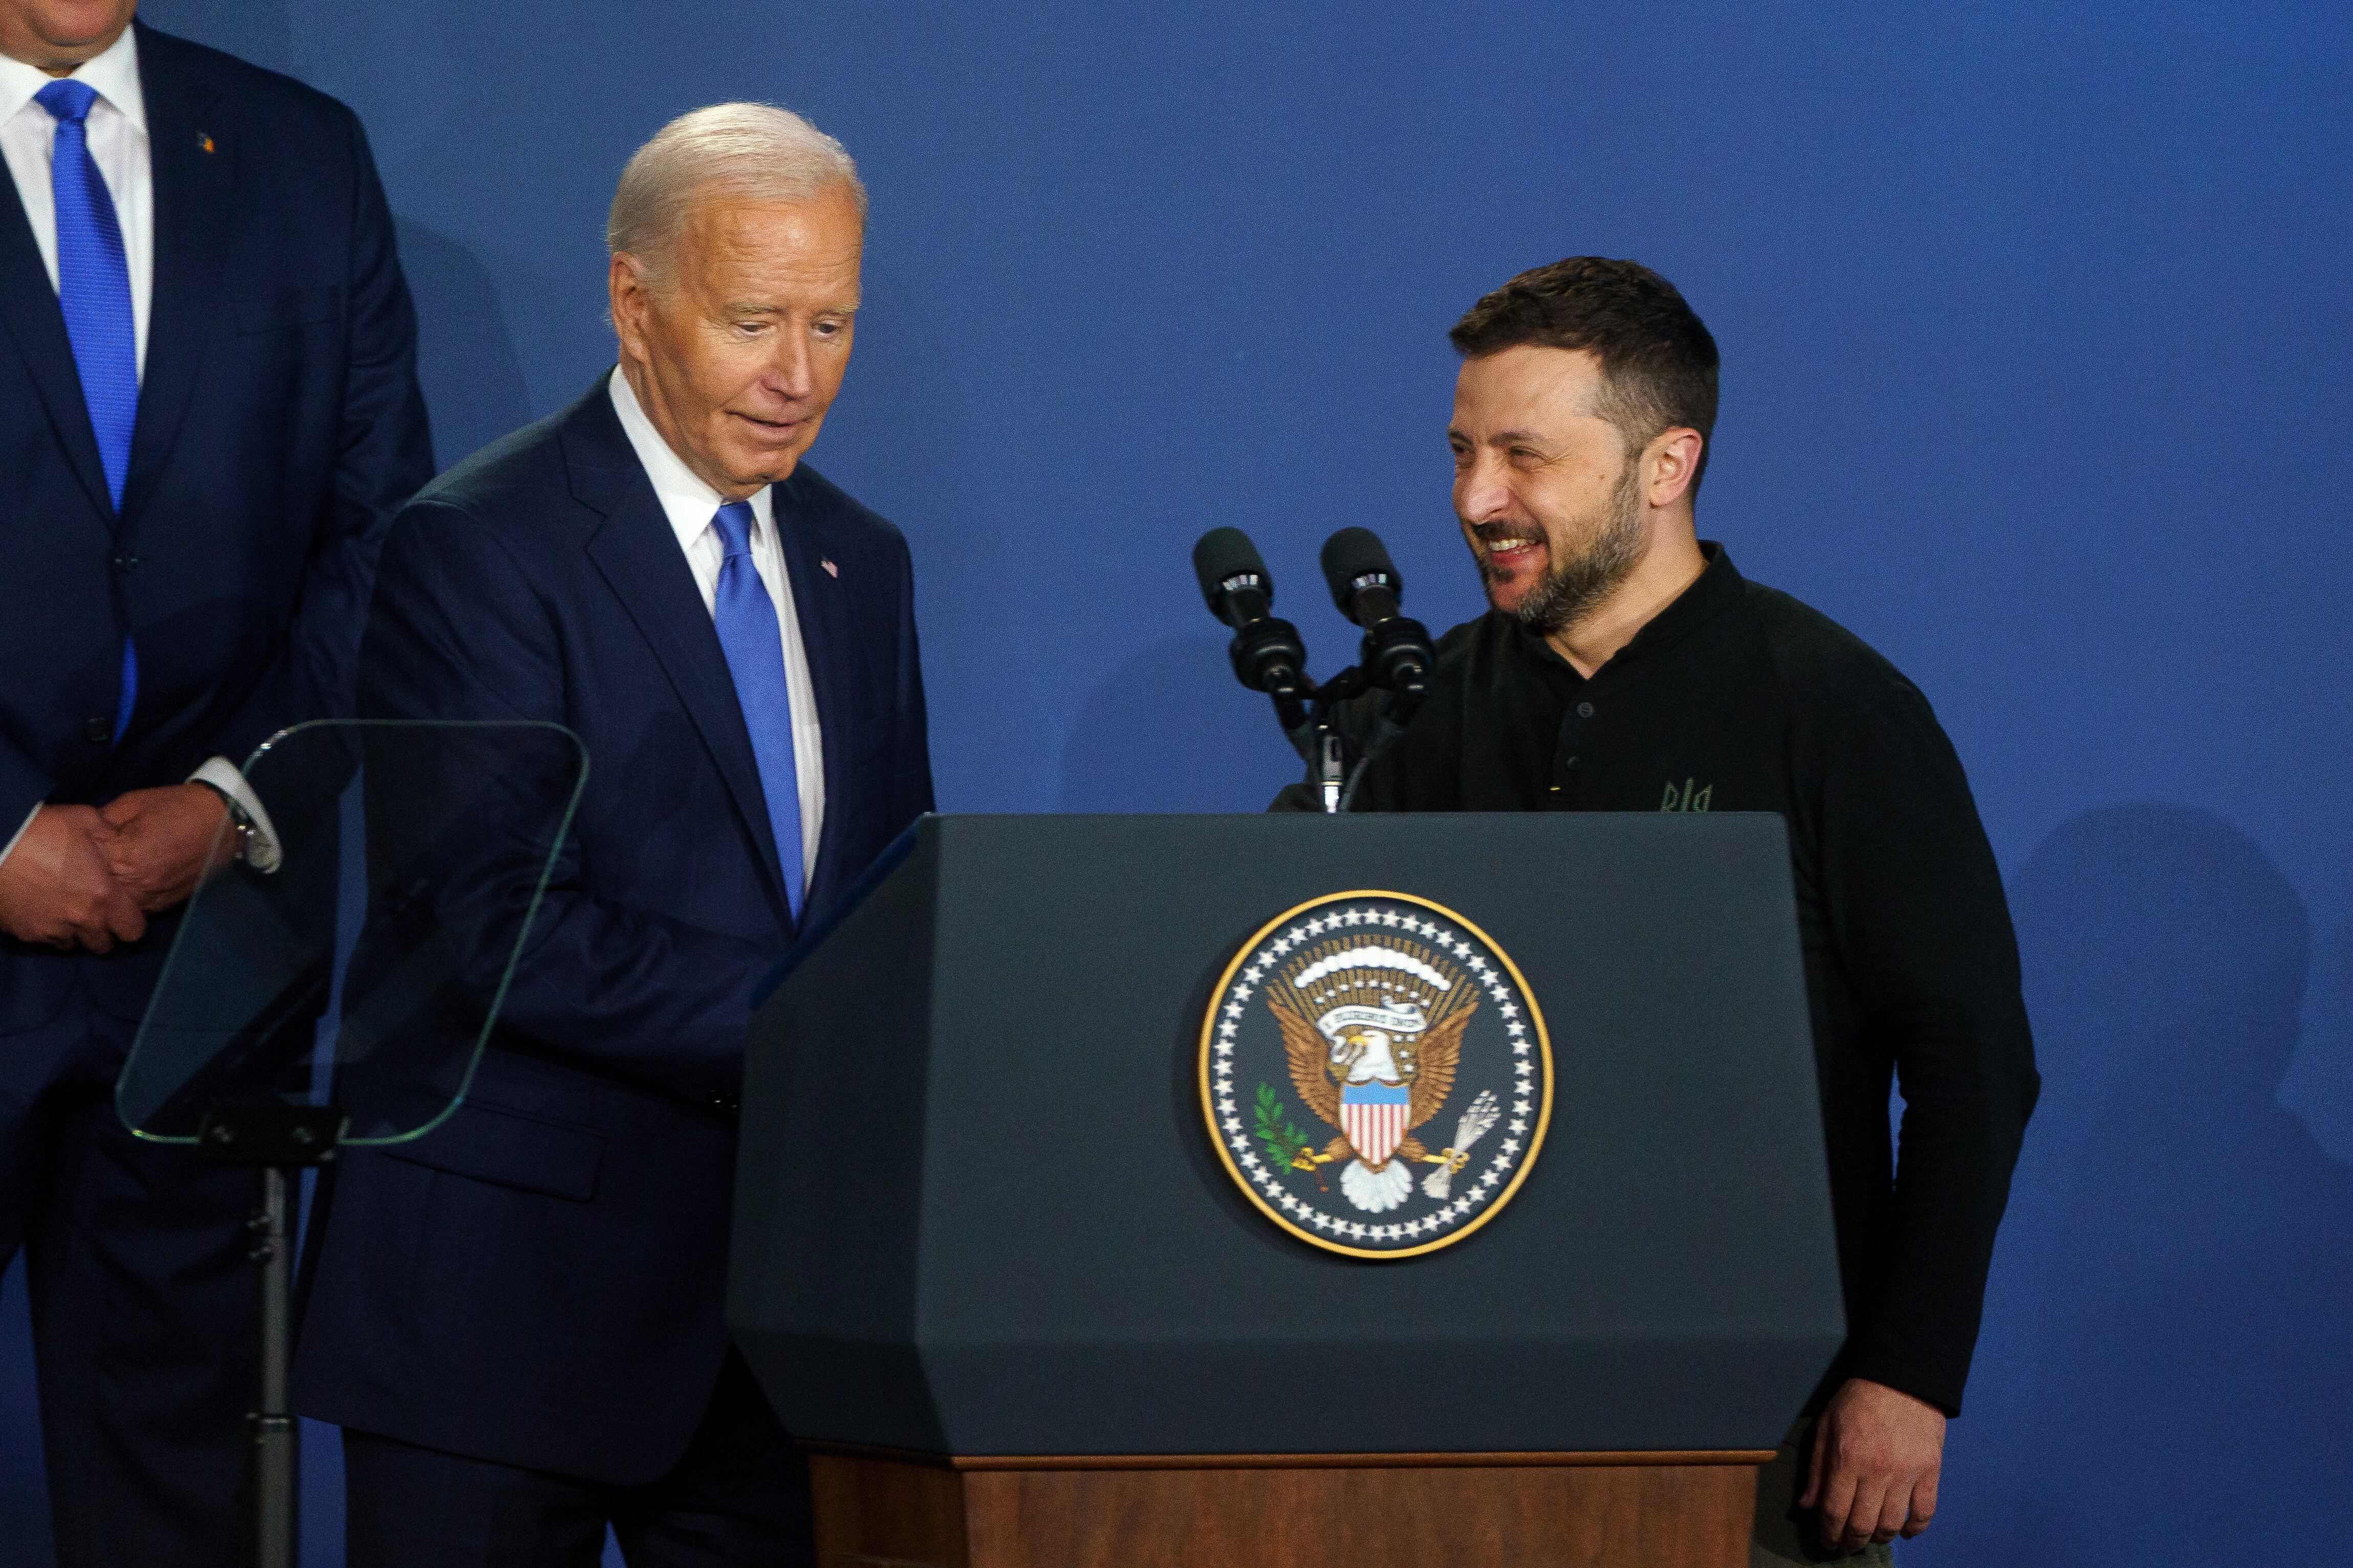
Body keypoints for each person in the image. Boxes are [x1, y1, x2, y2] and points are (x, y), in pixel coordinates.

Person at [290, 103, 934, 1565]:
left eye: (830, 324)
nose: (797, 377)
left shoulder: (860, 561)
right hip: (498, 1323)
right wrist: (829, 1018)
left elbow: (892, 894)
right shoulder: (477, 545)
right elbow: (493, 929)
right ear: (634, 305)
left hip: (772, 1331)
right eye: (753, 321)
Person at [1338, 257, 2039, 1563]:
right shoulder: (1418, 711)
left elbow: (1972, 1062)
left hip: (1760, 1421)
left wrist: (1906, 1372)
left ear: (1665, 466)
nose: (1477, 500)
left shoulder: (1831, 708)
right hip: (1456, 1403)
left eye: (1525, 456)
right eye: (1462, 453)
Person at [0, 0, 431, 1558]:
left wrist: (236, 798)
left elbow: (380, 542)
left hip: (204, 952)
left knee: (179, 1508)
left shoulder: (301, 159)